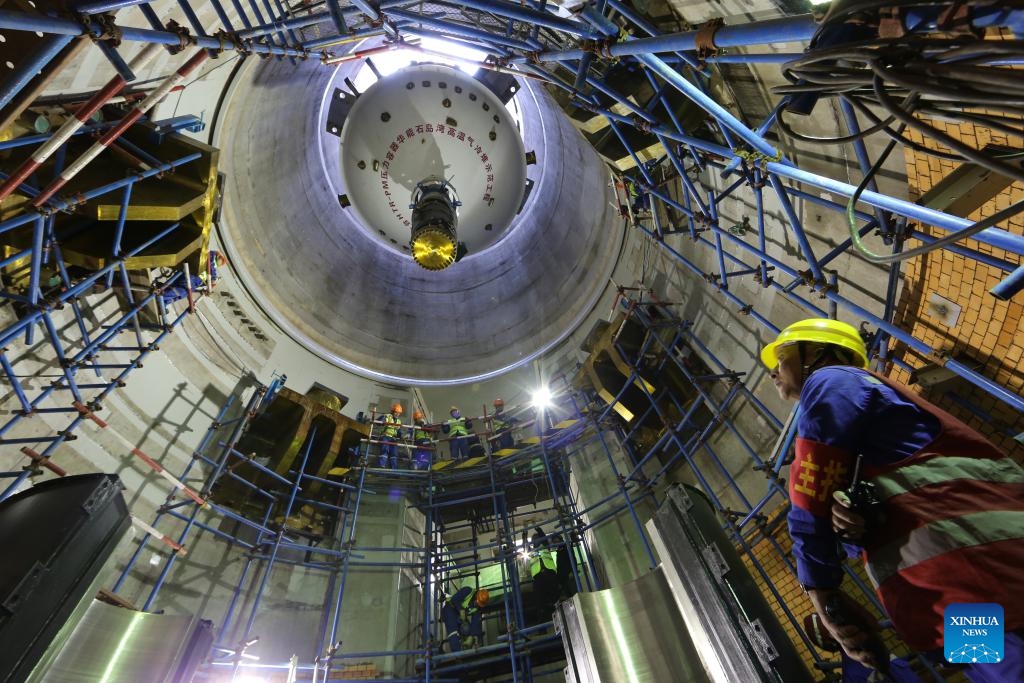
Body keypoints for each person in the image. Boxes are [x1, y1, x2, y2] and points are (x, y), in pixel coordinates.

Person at [761, 318, 1024, 682]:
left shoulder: (832, 379)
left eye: (783, 356)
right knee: (998, 672)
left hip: (985, 584)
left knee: (1012, 671)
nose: (774, 371)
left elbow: (812, 488)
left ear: (816, 353)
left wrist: (821, 591)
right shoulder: (869, 436)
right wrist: (852, 526)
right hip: (956, 601)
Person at [441, 586, 488, 652]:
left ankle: (465, 651)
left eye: (478, 604)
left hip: (459, 617)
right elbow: (454, 599)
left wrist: (471, 637)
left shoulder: (477, 608)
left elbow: (475, 624)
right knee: (454, 635)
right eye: (477, 602)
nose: (477, 604)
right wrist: (461, 609)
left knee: (467, 630)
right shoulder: (468, 591)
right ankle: (457, 656)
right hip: (450, 610)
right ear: (476, 595)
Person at [530, 528, 560, 620]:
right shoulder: (530, 552)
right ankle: (542, 620)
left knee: (554, 594)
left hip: (549, 573)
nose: (536, 540)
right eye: (534, 540)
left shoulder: (545, 546)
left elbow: (544, 538)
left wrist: (539, 530)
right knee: (539, 600)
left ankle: (559, 613)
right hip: (538, 577)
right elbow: (525, 547)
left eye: (537, 538)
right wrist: (523, 536)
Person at [376, 403, 404, 469]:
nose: (397, 414)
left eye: (399, 413)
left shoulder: (399, 421)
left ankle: (394, 469)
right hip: (385, 436)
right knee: (384, 450)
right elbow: (379, 422)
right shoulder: (387, 416)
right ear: (393, 411)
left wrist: (401, 435)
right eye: (396, 412)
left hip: (393, 439)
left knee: (394, 453)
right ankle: (381, 466)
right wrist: (383, 422)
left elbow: (399, 432)